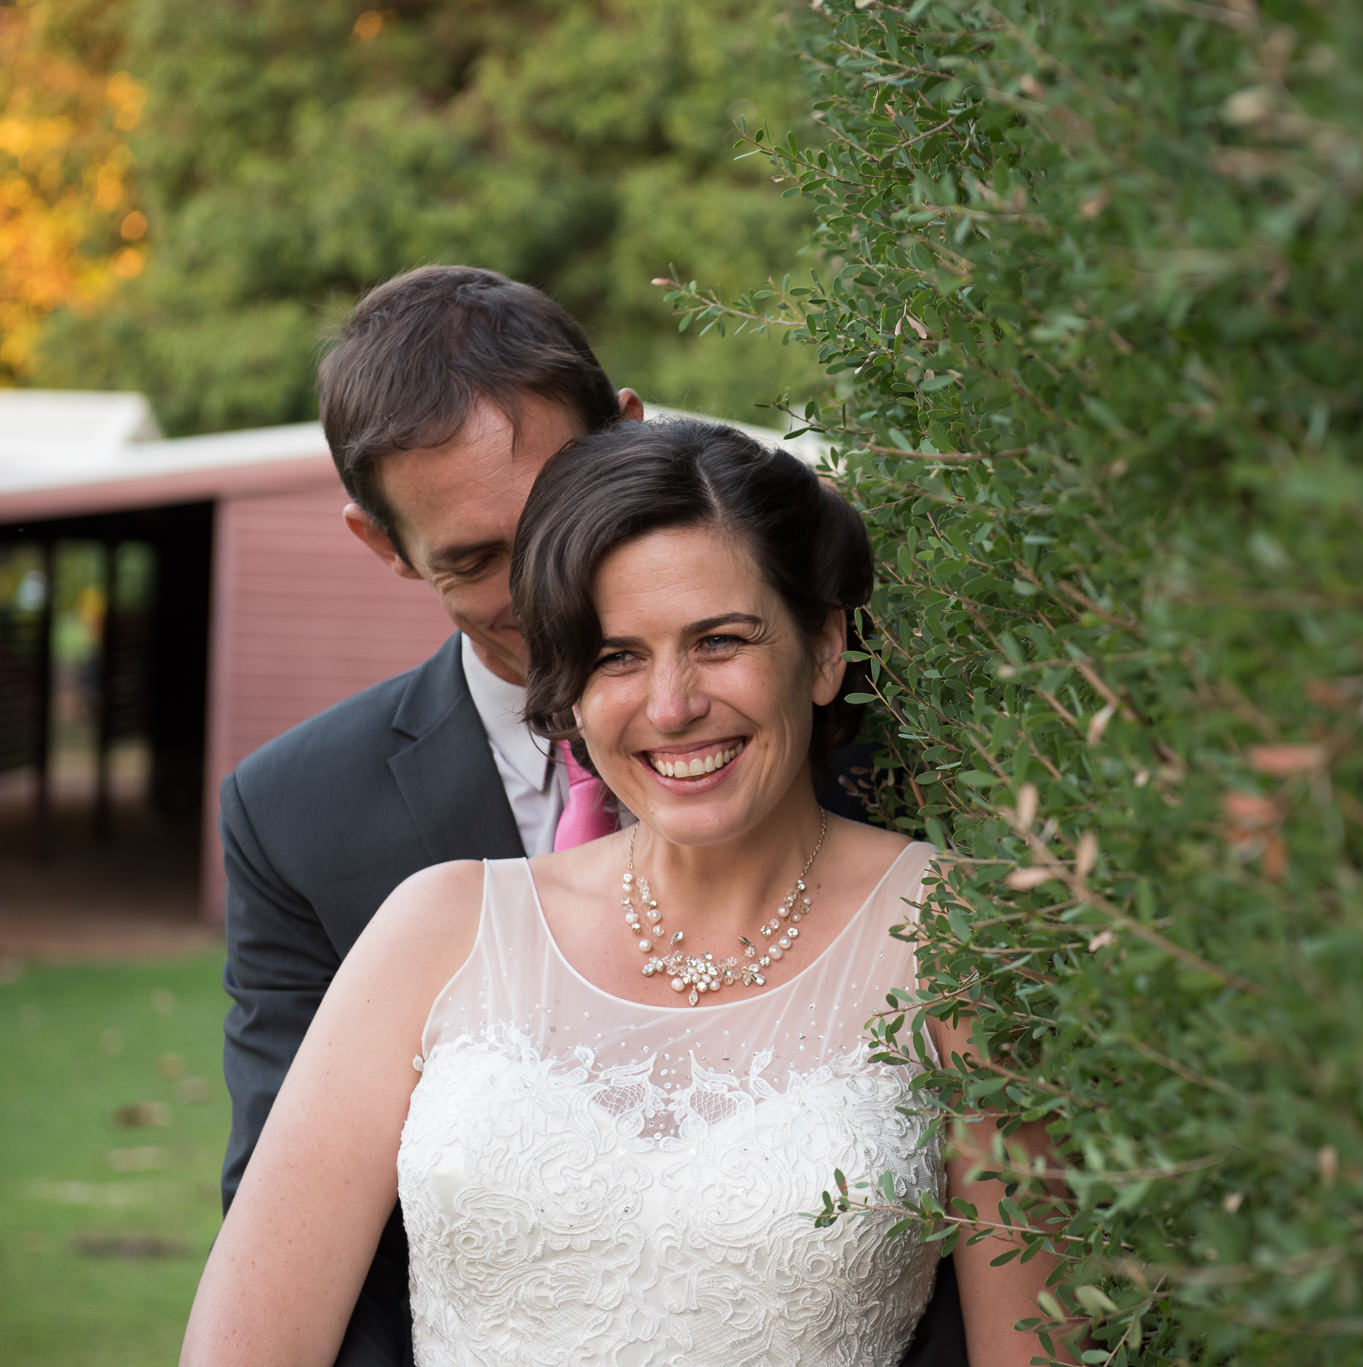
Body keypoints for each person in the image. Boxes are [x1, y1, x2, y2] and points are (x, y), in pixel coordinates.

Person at [184, 419, 1064, 1366]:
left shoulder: (961, 938)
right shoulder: (435, 930)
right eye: (617, 656)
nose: (672, 705)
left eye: (720, 640)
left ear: (823, 649)